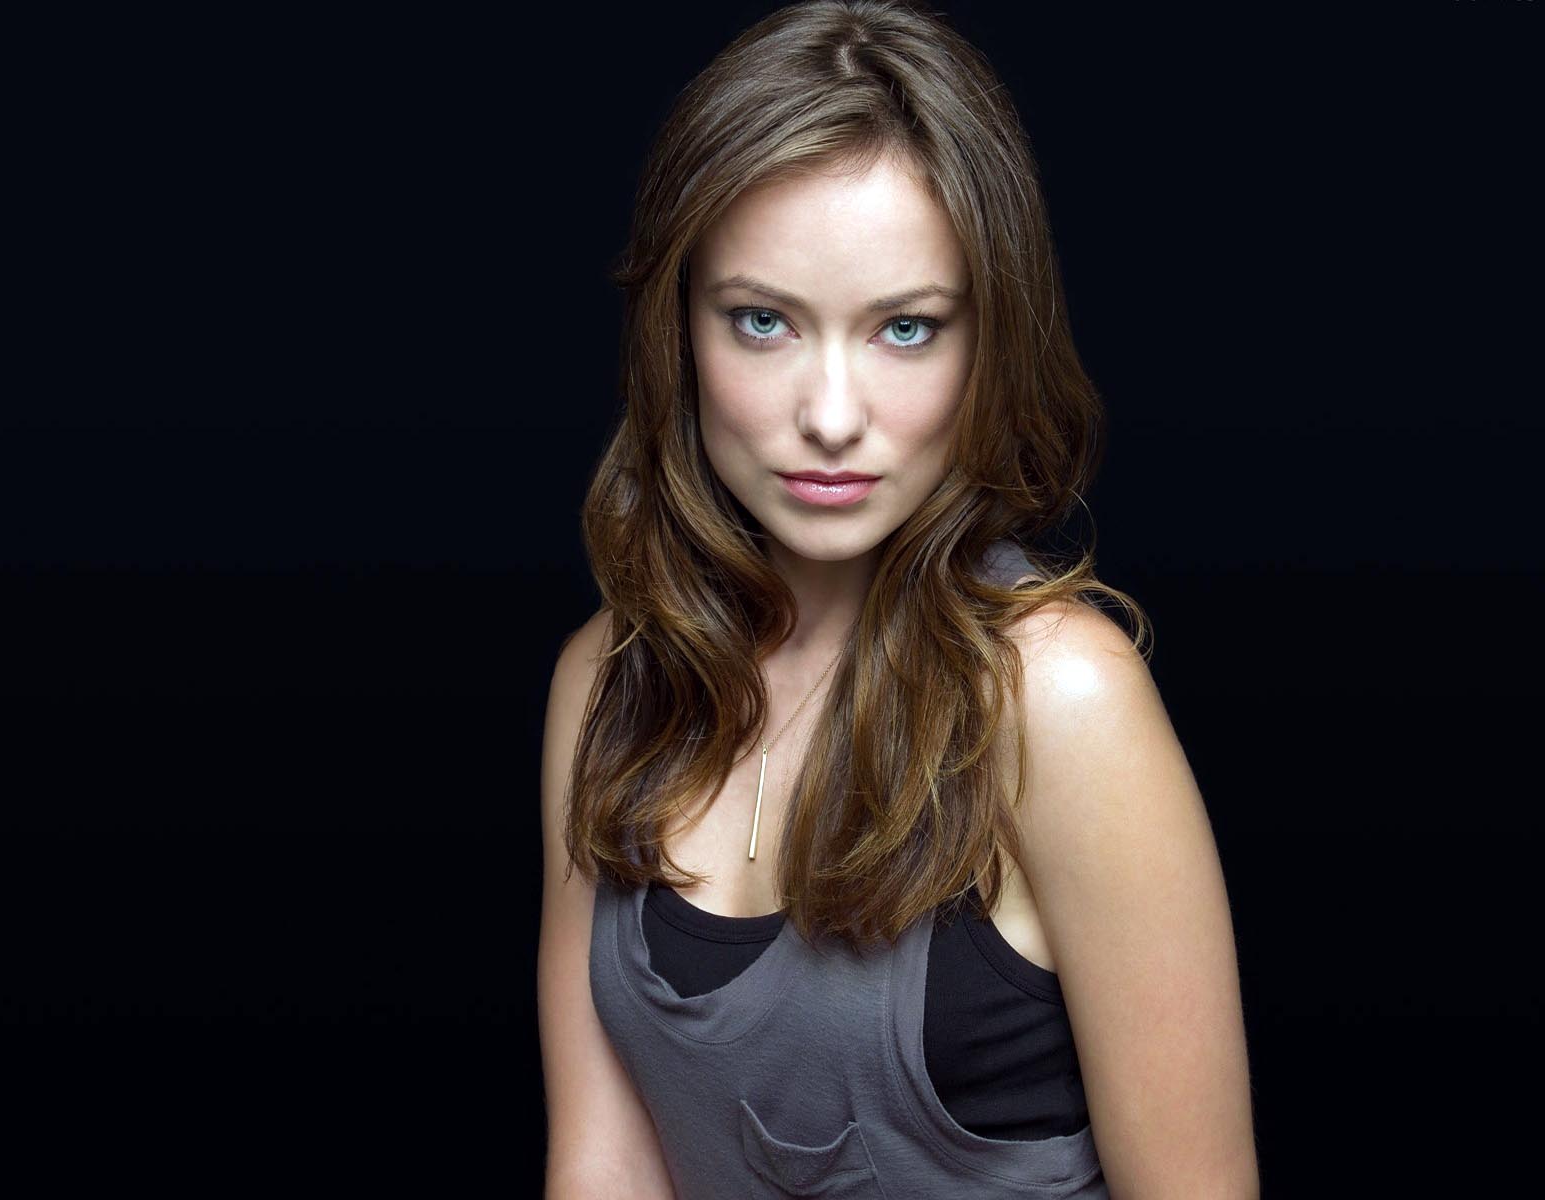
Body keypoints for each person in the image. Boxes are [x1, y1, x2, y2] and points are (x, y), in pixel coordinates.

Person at [537, 2, 1256, 1197]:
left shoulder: (1059, 698)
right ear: (679, 330)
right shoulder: (609, 679)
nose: (831, 415)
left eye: (906, 329)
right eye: (762, 322)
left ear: (989, 343)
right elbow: (603, 1166)